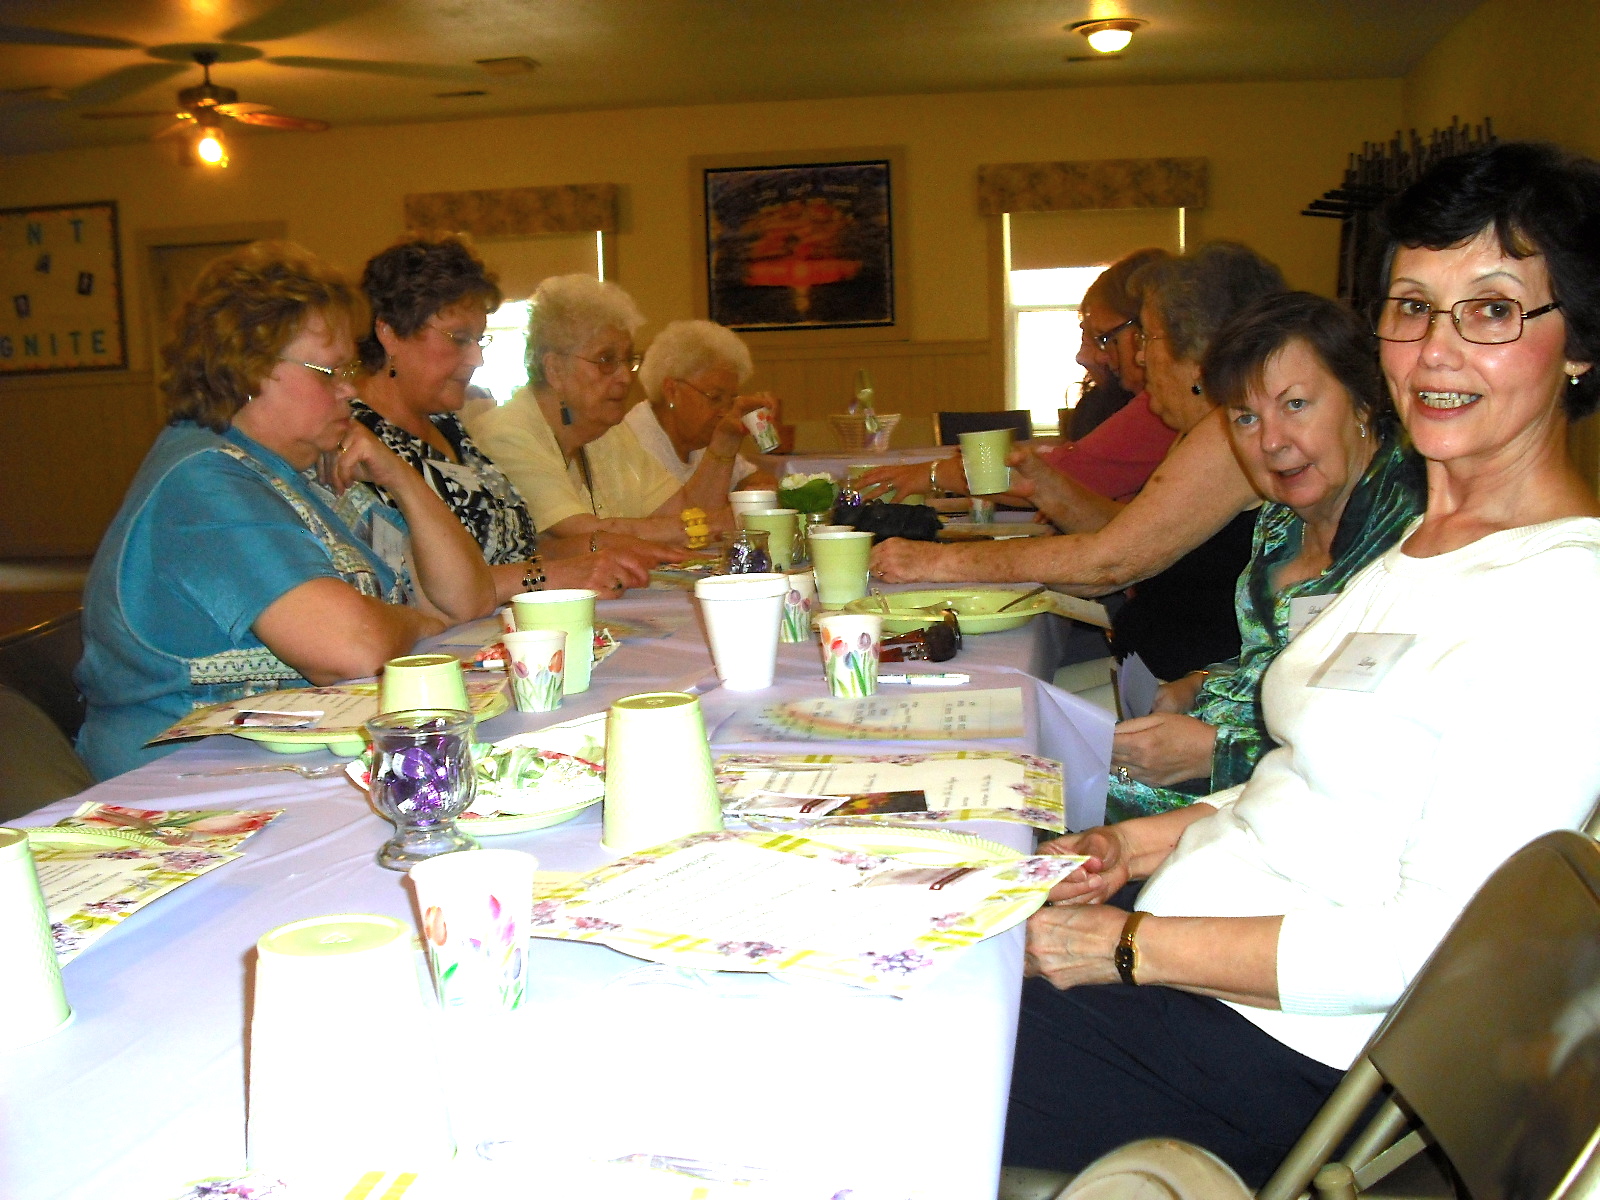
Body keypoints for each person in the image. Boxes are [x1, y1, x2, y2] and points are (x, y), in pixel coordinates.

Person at [1005, 141, 1600, 1186]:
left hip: (1279, 1049)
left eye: (1494, 308)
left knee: (877, 1037)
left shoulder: (1563, 599)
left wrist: (1127, 951)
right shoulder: (1417, 548)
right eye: (1412, 306)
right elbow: (1313, 791)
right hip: (1185, 957)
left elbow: (1430, 949)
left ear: (1579, 346)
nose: (1435, 349)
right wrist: (1134, 844)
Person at [76, 242, 495, 779]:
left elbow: (466, 599)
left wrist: (401, 477)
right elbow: (352, 647)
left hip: (278, 765)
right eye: (329, 373)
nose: (349, 389)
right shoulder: (203, 481)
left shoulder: (299, 471)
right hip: (181, 784)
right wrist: (413, 622)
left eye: (350, 368)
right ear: (248, 370)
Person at [1106, 292, 1425, 821]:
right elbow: (1274, 656)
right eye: (1246, 418)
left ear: (1363, 402)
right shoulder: (1280, 522)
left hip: (1287, 817)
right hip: (1214, 774)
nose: (1271, 442)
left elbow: (1385, 752)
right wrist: (1201, 683)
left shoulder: (1411, 539)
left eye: (1295, 405)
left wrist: (1216, 753)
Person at [352, 234, 675, 603]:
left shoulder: (446, 427)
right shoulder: (357, 442)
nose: (477, 359)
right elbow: (408, 588)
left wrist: (596, 551)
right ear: (390, 333)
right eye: (459, 338)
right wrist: (552, 573)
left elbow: (512, 551)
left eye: (479, 340)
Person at [467, 275, 772, 544]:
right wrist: (727, 522)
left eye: (628, 359)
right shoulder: (507, 434)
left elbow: (687, 514)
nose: (626, 376)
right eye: (605, 360)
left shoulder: (607, 432)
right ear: (555, 369)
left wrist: (726, 440)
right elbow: (585, 535)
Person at [857, 249, 1177, 505]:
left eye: (1105, 338)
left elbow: (1069, 477)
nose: (1088, 356)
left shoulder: (1161, 407)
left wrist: (935, 473)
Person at [631, 319, 780, 492]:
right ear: (672, 391)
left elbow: (750, 477)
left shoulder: (703, 438)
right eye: (715, 397)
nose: (725, 412)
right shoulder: (636, 442)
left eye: (731, 400)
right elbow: (674, 513)